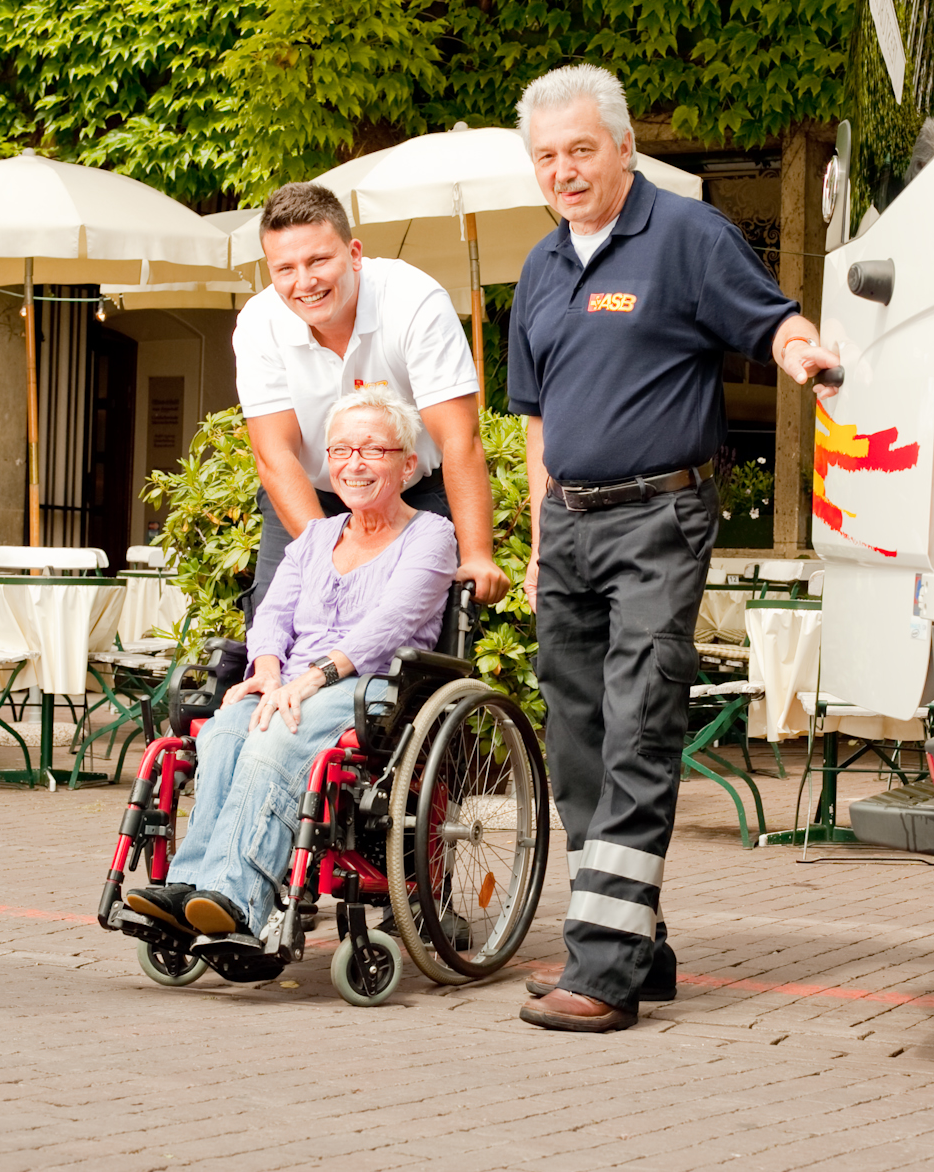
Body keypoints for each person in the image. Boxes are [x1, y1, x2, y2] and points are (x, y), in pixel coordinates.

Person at [508, 65, 842, 1032]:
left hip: (660, 516)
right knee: (578, 737)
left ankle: (602, 974)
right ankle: (631, 942)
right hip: (568, 524)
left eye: (580, 150)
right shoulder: (540, 266)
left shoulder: (688, 236)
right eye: (547, 157)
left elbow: (772, 320)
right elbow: (535, 418)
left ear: (621, 147)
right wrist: (539, 533)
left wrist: (803, 355)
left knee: (640, 721)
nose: (565, 172)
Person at [125, 387, 458, 943]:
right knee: (227, 729)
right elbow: (274, 612)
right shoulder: (316, 537)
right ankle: (189, 890)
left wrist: (310, 680)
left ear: (408, 464)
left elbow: (389, 628)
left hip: (373, 686)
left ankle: (239, 899)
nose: (354, 463)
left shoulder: (431, 535)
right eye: (341, 451)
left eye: (373, 450)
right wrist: (268, 670)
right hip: (295, 683)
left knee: (279, 731)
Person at [234, 183, 508, 615]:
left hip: (413, 491)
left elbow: (460, 439)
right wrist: (330, 563)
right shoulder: (258, 324)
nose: (304, 282)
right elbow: (275, 457)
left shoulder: (415, 301)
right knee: (282, 623)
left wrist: (477, 555)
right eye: (285, 268)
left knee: (422, 640)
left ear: (354, 253)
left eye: (319, 260)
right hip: (314, 493)